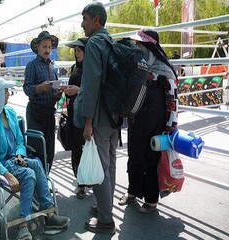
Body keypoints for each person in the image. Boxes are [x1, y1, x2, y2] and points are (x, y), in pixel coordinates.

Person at [0, 76, 70, 240]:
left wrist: (20, 155)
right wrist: (8, 176)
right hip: (3, 164)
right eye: (6, 91)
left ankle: (49, 214)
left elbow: (19, 141)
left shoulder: (10, 112)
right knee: (29, 174)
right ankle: (23, 224)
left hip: (14, 158)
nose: (9, 93)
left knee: (36, 163)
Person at [120, 29, 178, 213]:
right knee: (134, 155)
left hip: (156, 123)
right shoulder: (138, 68)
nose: (137, 48)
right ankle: (132, 192)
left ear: (149, 47)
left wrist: (171, 125)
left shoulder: (164, 71)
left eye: (140, 45)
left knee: (151, 159)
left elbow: (172, 100)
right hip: (136, 121)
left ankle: (151, 200)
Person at [75, 2, 119, 234]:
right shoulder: (112, 42)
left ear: (96, 20)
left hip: (100, 118)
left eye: (85, 18)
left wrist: (88, 122)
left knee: (100, 168)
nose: (82, 23)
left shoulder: (94, 44)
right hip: (115, 117)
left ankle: (105, 220)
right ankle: (105, 207)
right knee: (110, 166)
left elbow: (91, 85)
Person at [23, 31, 62, 172]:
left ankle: (45, 180)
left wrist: (57, 95)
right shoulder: (31, 66)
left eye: (49, 47)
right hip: (36, 112)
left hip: (49, 112)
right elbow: (26, 88)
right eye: (44, 47)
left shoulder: (52, 67)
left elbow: (52, 90)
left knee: (49, 149)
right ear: (37, 47)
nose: (47, 50)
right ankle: (35, 182)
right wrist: (40, 88)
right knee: (36, 147)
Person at [59, 37, 87, 199]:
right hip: (73, 112)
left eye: (79, 50)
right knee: (76, 148)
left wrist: (78, 90)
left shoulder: (92, 68)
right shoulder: (74, 68)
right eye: (75, 50)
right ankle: (81, 183)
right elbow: (74, 89)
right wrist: (66, 90)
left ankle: (90, 178)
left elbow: (94, 91)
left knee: (88, 148)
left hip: (87, 113)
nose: (76, 53)